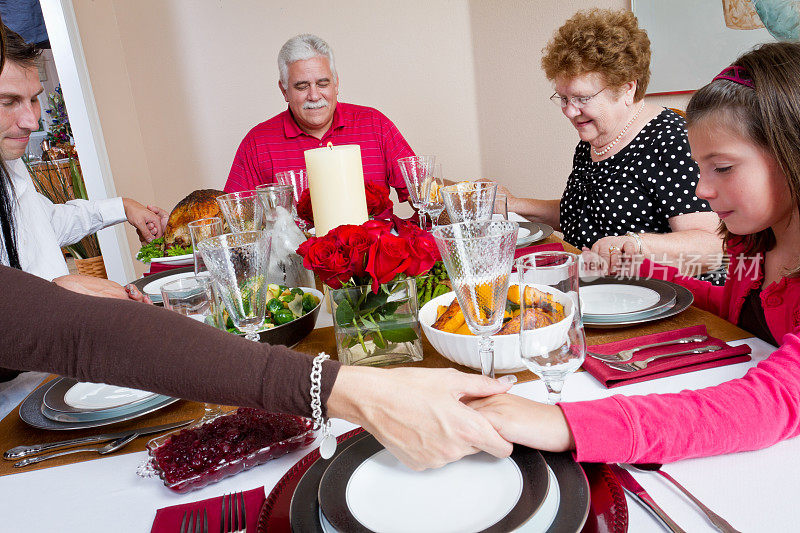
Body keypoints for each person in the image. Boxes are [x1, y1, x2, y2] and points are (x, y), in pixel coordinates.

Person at [468, 41, 800, 465]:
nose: (701, 190)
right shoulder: (754, 243)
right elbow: (735, 308)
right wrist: (639, 269)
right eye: (700, 169)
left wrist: (566, 425)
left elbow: (767, 404)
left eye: (723, 167)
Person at [496, 10, 722, 274]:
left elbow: (712, 246)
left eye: (582, 98)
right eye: (564, 98)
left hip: (660, 296)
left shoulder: (671, 140)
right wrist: (513, 205)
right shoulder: (595, 138)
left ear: (628, 88)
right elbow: (584, 213)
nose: (569, 111)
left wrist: (634, 245)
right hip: (597, 289)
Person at [0, 27, 169, 281]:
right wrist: (63, 291)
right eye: (9, 102)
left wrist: (122, 207)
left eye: (34, 99)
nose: (32, 122)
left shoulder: (10, 163)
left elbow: (45, 225)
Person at [224, 34, 414, 202]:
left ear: (336, 83)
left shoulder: (375, 124)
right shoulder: (257, 143)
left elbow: (423, 193)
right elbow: (238, 219)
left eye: (323, 83)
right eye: (302, 86)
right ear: (284, 90)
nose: (314, 96)